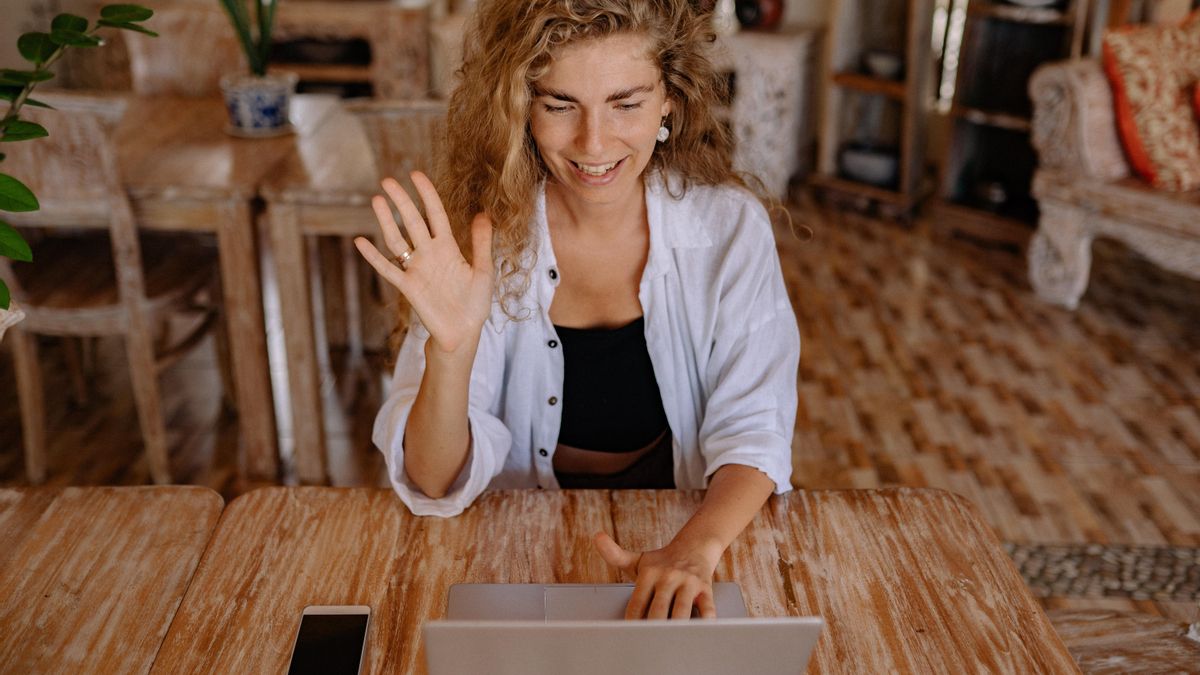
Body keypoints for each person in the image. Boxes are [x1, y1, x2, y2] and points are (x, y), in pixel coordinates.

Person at [355, 0, 800, 620]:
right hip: (513, 549)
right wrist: (449, 353)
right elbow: (432, 480)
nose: (595, 143)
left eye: (626, 103)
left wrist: (693, 551)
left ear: (669, 99)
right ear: (520, 109)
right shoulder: (481, 242)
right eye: (560, 105)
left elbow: (756, 427)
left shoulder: (729, 230)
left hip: (687, 528)